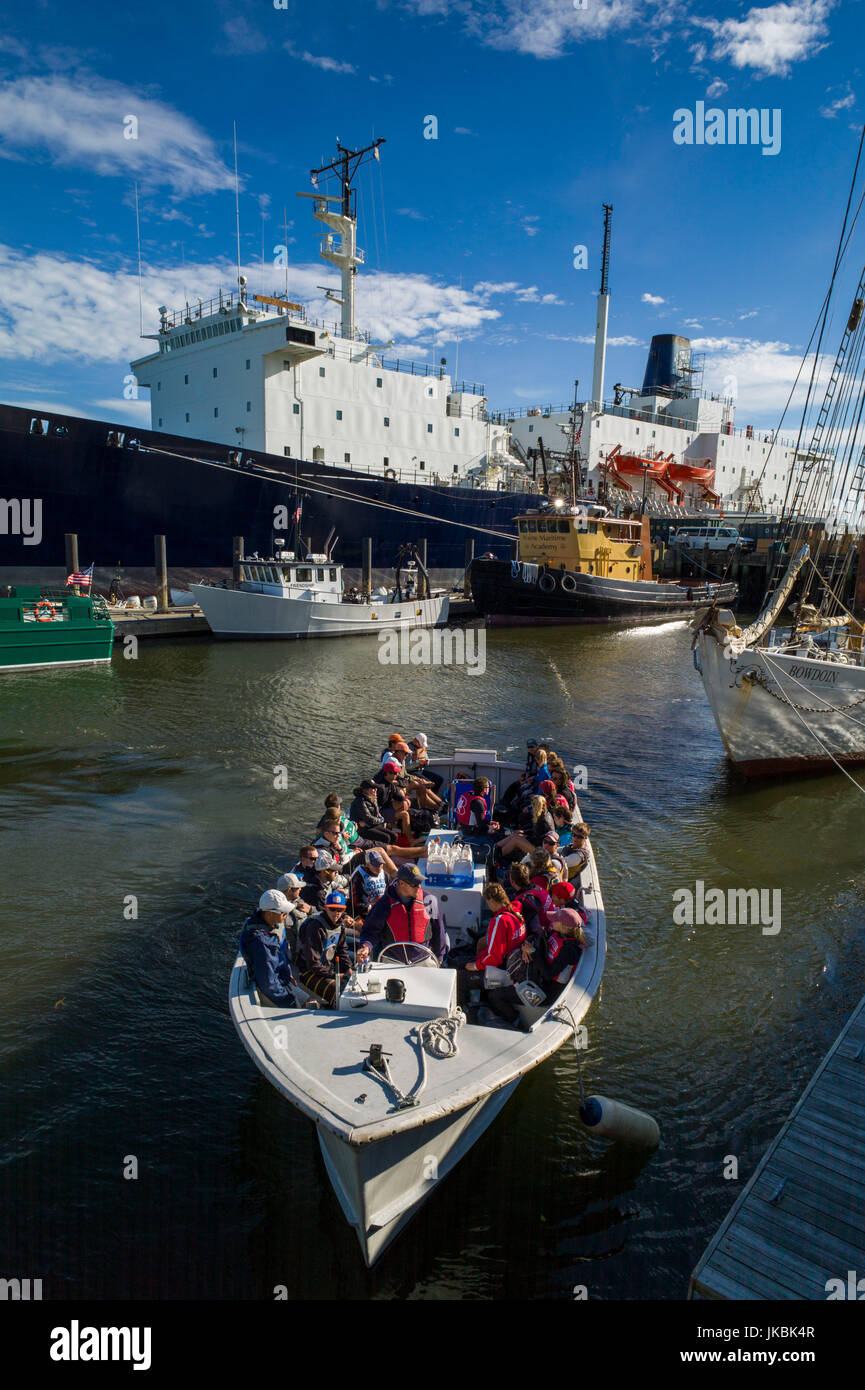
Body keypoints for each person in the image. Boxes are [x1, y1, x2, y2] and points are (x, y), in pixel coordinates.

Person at [357, 864, 445, 964]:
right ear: (401, 883)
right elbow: (370, 931)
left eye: (419, 882)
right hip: (393, 960)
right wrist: (366, 947)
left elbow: (439, 930)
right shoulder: (384, 903)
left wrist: (440, 957)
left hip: (424, 958)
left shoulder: (429, 900)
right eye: (414, 884)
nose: (419, 887)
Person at [239, 889, 296, 1008]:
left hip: (281, 979)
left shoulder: (262, 923)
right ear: (270, 914)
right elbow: (268, 983)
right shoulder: (261, 943)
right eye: (283, 913)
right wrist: (290, 1002)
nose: (286, 916)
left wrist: (286, 972)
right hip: (276, 992)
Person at [296, 890, 353, 1007]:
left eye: (340, 910)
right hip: (308, 971)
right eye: (332, 909)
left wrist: (348, 968)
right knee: (338, 993)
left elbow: (342, 951)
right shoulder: (316, 928)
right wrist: (336, 975)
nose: (336, 913)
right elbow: (313, 964)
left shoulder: (340, 925)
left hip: (326, 966)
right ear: (326, 908)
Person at [275, 871, 313, 959]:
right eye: (297, 887)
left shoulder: (298, 901)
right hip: (291, 956)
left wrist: (311, 910)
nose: (300, 889)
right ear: (289, 890)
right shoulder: (277, 913)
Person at [348, 779, 397, 845]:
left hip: (370, 825)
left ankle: (390, 850)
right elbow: (368, 818)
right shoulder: (360, 801)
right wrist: (381, 820)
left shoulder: (373, 798)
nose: (376, 790)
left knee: (394, 835)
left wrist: (375, 800)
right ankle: (385, 852)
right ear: (366, 790)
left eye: (376, 788)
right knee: (386, 837)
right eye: (373, 788)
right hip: (362, 829)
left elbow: (376, 814)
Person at [456, 776, 500, 843]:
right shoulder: (478, 803)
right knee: (500, 836)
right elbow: (481, 826)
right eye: (488, 787)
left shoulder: (468, 794)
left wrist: (489, 822)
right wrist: (492, 828)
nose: (489, 789)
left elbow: (479, 819)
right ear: (484, 789)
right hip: (471, 833)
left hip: (463, 828)